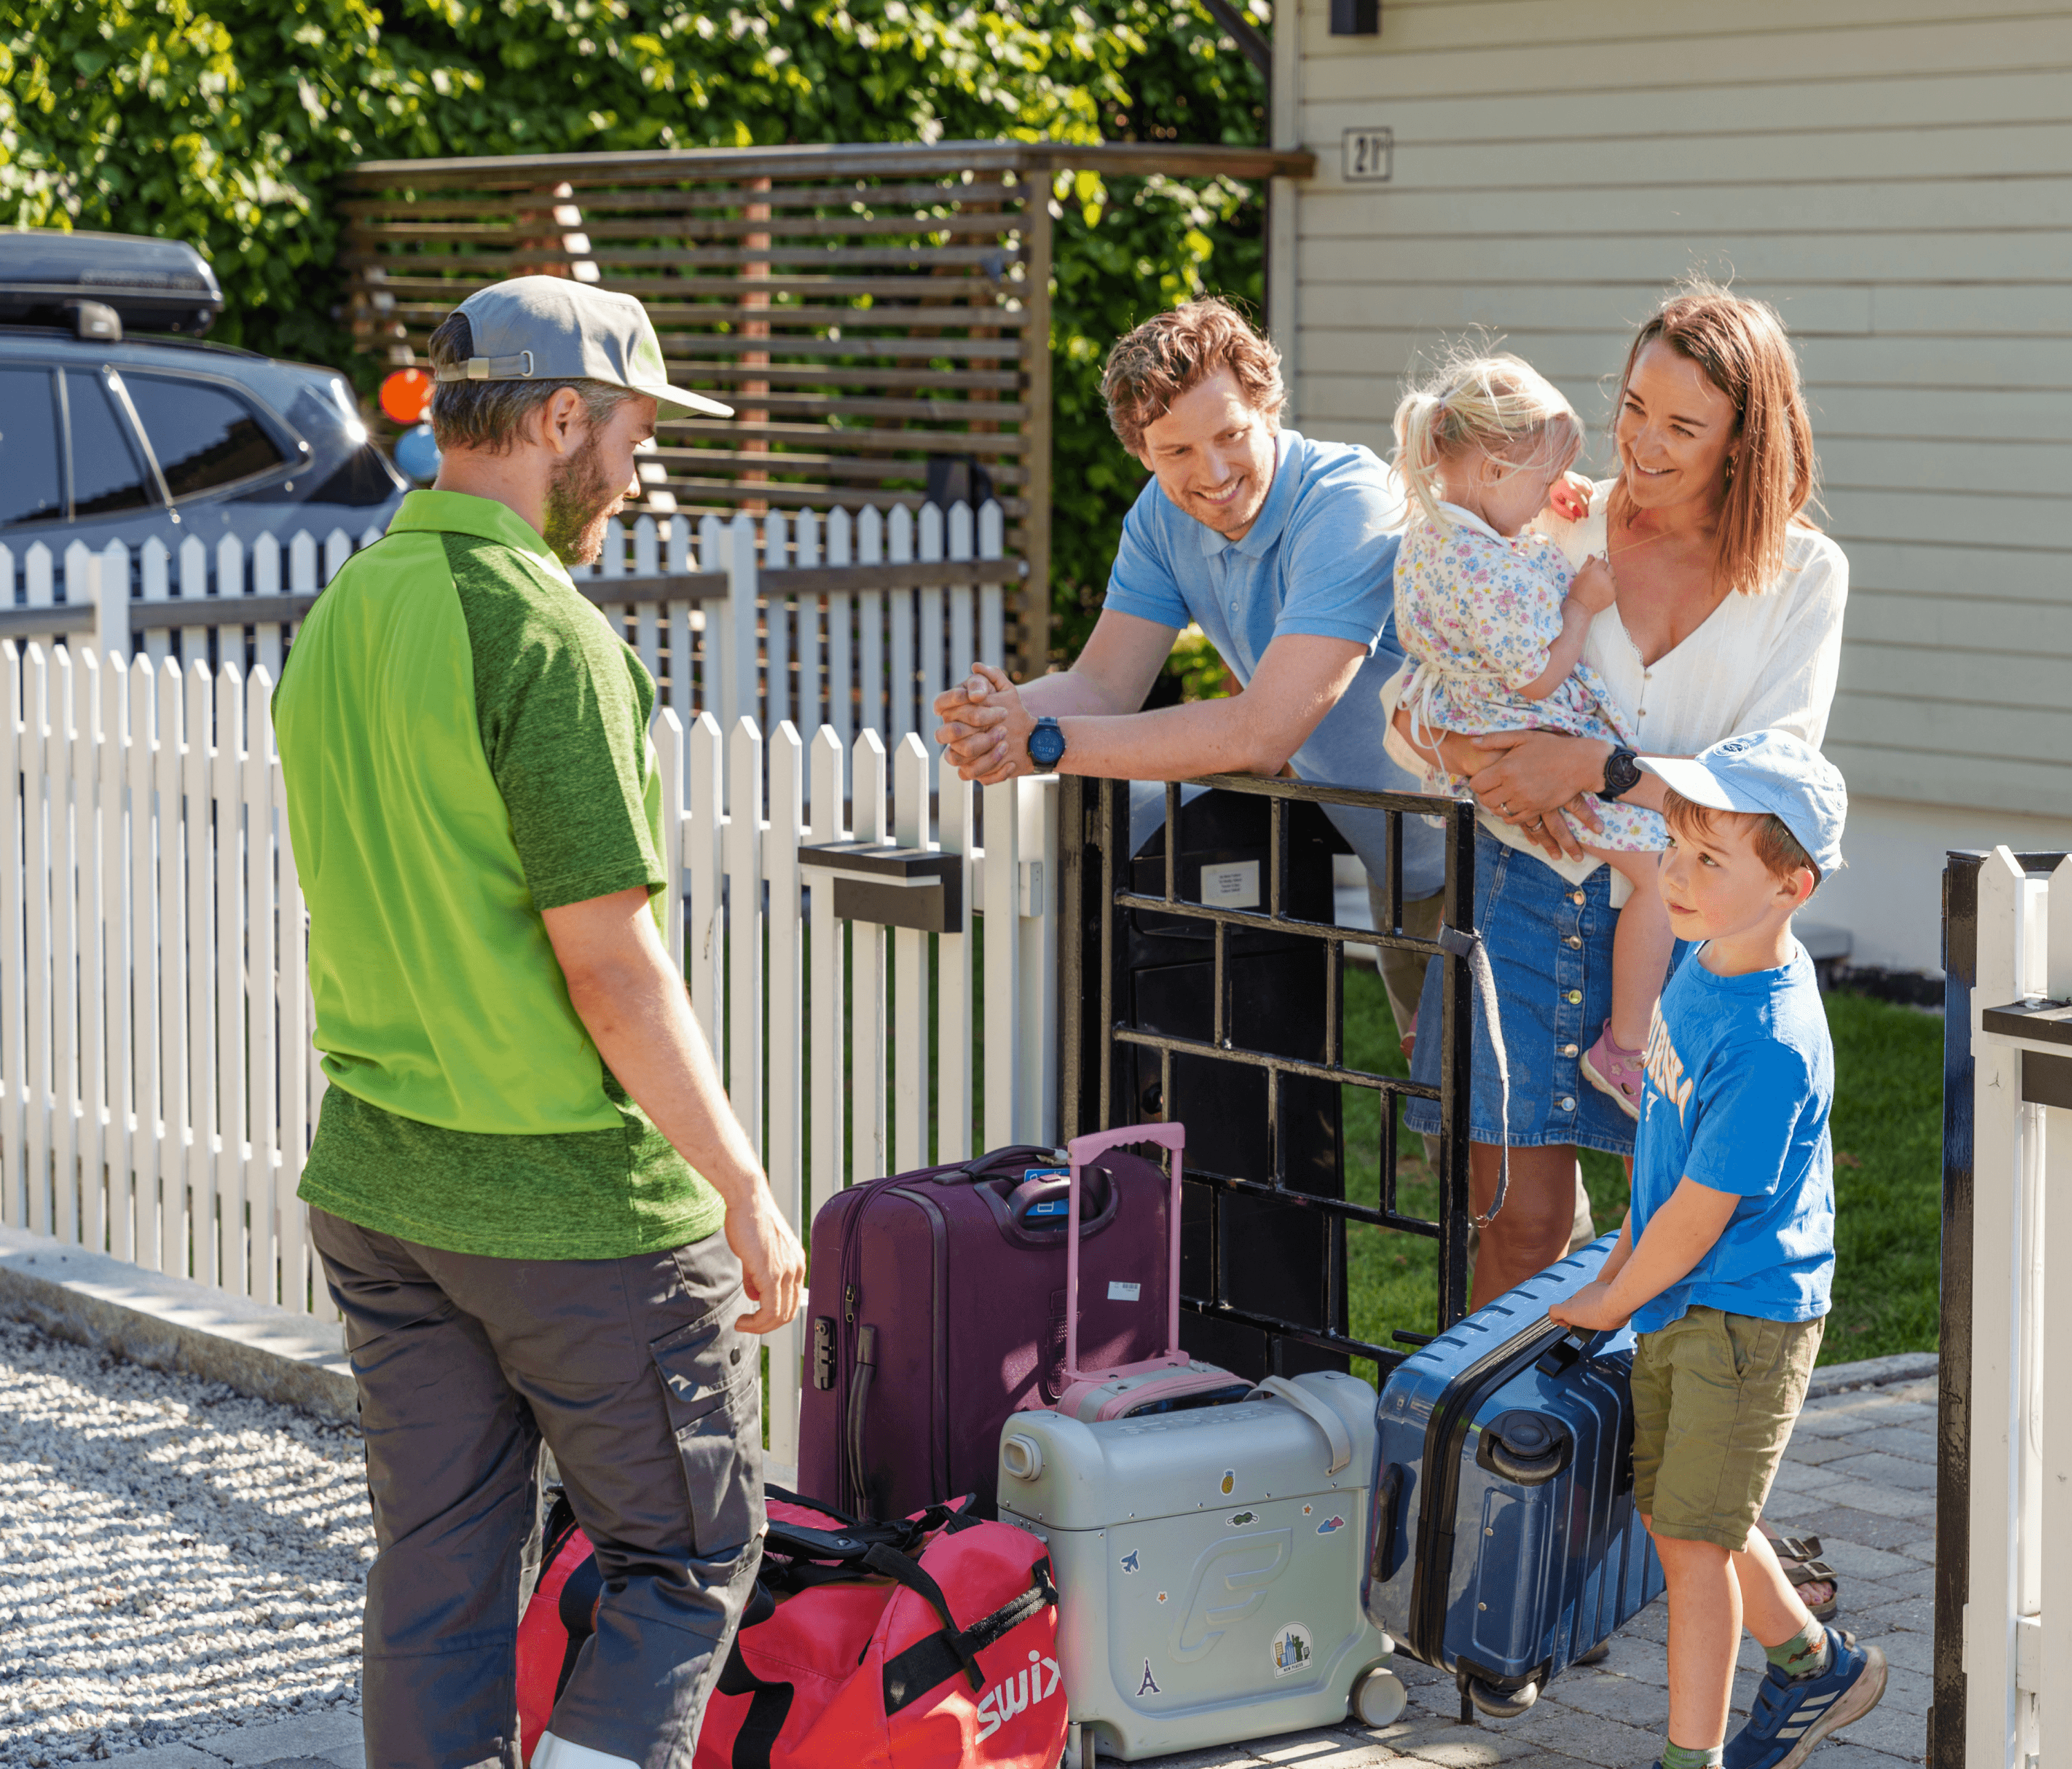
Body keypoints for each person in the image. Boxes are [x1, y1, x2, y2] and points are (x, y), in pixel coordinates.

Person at [273, 276, 807, 1769]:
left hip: (383, 1185)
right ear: (562, 416)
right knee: (683, 1554)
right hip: (568, 1204)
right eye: (630, 431)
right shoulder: (547, 637)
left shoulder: (345, 610)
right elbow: (611, 966)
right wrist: (745, 1189)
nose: (634, 472)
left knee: (439, 1567)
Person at [1390, 282, 1846, 1308]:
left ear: (1747, 438)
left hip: (1692, 928)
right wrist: (1477, 760)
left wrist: (1593, 771)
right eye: (1635, 406)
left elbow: (1777, 783)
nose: (1640, 443)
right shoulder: (1548, 518)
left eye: (1683, 425)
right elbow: (1407, 691)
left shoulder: (1806, 575)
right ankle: (1507, 1459)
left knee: (1687, 1235)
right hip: (1521, 896)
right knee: (1519, 1224)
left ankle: (1647, 1466)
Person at [930, 298, 1445, 1042]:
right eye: (1176, 452)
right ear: (1141, 451)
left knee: (1520, 1139)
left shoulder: (1348, 504)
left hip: (1492, 850)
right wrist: (1000, 717)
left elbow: (1261, 733)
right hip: (1402, 864)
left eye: (1231, 434)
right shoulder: (1161, 519)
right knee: (1445, 1127)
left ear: (1269, 408)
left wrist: (1042, 740)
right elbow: (1103, 685)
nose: (1212, 472)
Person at [1545, 730, 1881, 1769]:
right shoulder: (1704, 964)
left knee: (1690, 1544)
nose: (1675, 876)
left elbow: (1701, 1209)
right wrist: (1620, 1276)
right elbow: (1665, 1154)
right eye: (1675, 848)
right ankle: (1814, 1666)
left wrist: (1612, 1299)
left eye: (1708, 861)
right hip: (1679, 1295)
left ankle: (1689, 1761)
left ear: (1791, 885)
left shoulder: (1771, 1039)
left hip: (1742, 1313)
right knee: (1690, 1514)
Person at [1382, 352, 1671, 1115]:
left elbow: (1497, 546)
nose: (1554, 498)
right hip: (1532, 739)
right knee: (1660, 877)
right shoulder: (1494, 574)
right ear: (1494, 468)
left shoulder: (1432, 535)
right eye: (1543, 483)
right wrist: (1583, 603)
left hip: (1466, 732)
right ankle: (1628, 1047)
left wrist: (1546, 495)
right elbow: (1538, 676)